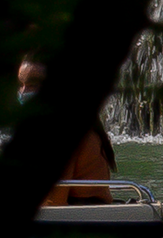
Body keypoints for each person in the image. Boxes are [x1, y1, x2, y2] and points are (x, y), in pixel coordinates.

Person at [15, 55, 119, 204]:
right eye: (21, 84)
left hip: (84, 216)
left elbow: (55, 201)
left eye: (32, 85)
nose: (24, 92)